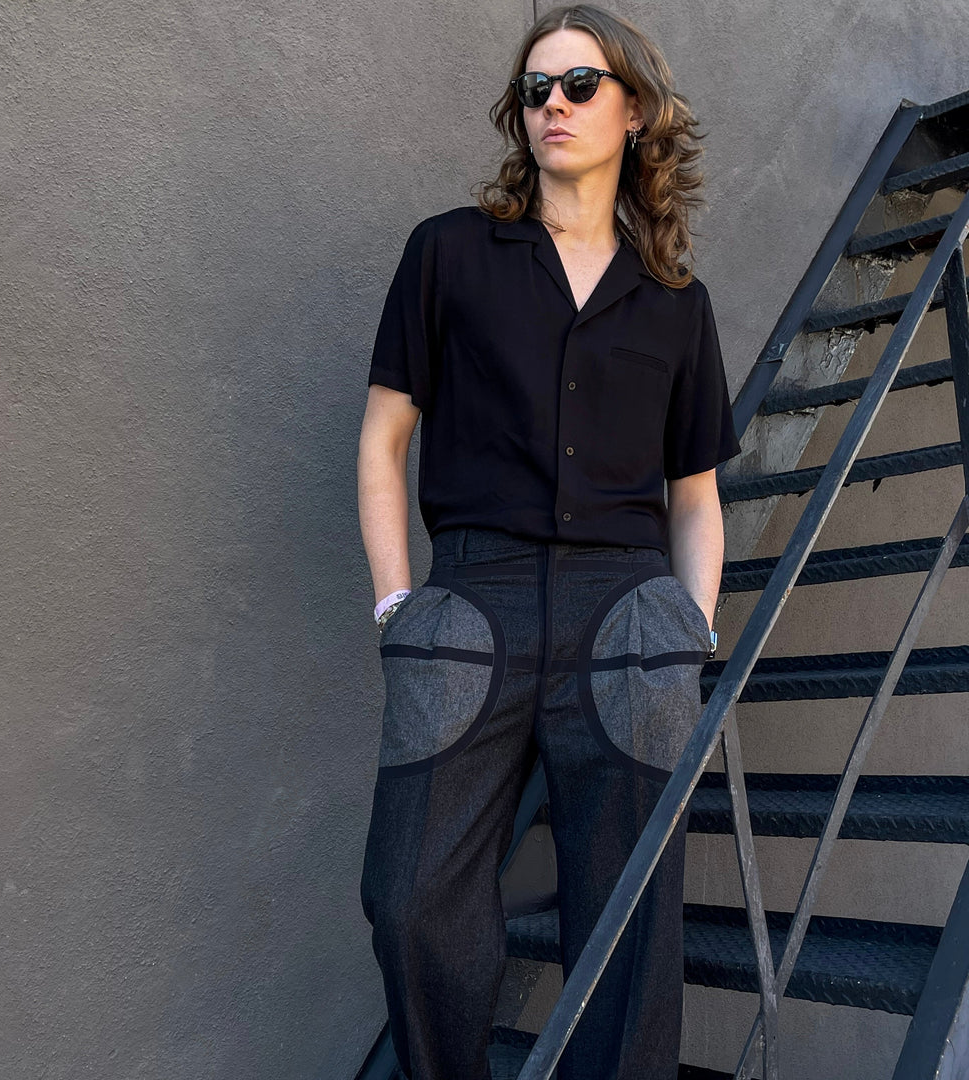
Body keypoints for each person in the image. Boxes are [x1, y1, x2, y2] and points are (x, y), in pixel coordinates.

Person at [356, 5, 741, 1079]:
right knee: (410, 895)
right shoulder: (450, 253)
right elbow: (384, 443)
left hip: (628, 613)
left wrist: (691, 623)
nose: (553, 108)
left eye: (578, 86)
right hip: (469, 603)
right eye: (535, 91)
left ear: (633, 108)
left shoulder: (674, 301)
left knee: (629, 914)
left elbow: (697, 490)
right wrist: (399, 605)